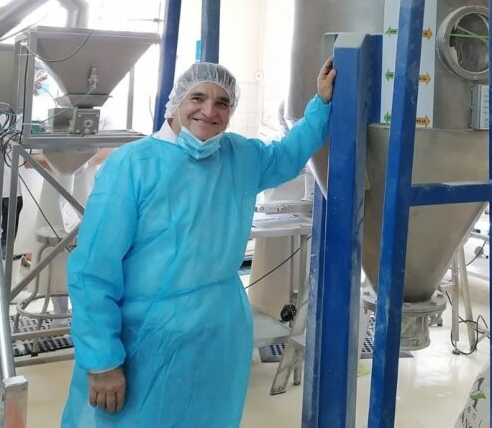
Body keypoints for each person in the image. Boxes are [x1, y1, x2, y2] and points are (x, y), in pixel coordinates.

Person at [61, 58, 336, 427]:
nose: (209, 110)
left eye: (222, 103)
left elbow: (287, 155)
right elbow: (94, 270)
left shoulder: (238, 156)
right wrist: (102, 359)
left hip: (218, 335)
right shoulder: (133, 165)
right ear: (176, 103)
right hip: (146, 340)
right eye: (198, 97)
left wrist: (321, 104)